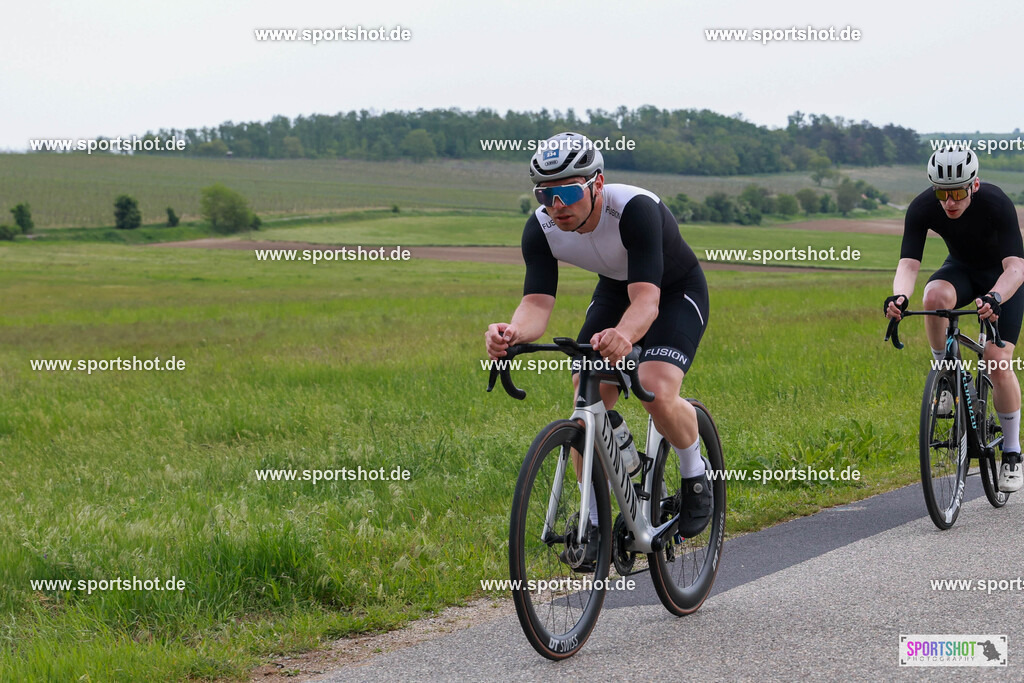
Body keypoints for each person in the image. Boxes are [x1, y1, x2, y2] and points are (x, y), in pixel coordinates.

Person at [485, 132, 711, 568]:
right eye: (546, 194)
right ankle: (592, 522)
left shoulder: (635, 210)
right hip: (615, 291)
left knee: (654, 387)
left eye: (568, 191)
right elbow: (536, 304)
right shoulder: (541, 227)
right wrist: (510, 333)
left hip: (673, 290)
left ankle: (695, 475)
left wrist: (625, 336)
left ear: (597, 183)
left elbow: (646, 302)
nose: (557, 205)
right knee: (585, 391)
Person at [885, 145, 1024, 492]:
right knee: (933, 297)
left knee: (995, 361)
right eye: (942, 193)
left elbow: (1016, 267)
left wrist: (995, 296)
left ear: (973, 186)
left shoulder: (996, 202)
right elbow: (909, 264)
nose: (949, 202)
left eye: (958, 192)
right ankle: (945, 373)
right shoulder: (922, 207)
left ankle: (1012, 452)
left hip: (1003, 280)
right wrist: (900, 296)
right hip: (961, 270)